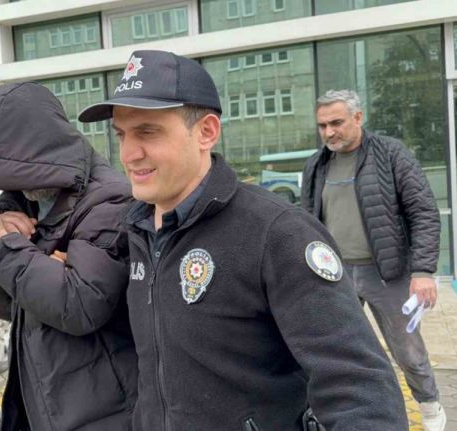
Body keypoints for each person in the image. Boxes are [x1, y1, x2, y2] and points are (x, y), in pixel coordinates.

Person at [78, 50, 407, 430]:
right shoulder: (136, 230)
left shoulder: (277, 233)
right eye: (121, 135)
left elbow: (359, 387)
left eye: (147, 132)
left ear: (206, 132)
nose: (129, 154)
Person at [0, 82, 137, 431]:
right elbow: (0, 304)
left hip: (101, 410)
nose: (14, 183)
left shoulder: (109, 200)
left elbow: (79, 306)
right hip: (39, 397)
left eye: (18, 170)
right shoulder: (20, 202)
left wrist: (0, 242)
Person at [301, 89, 445, 431]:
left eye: (336, 122)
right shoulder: (316, 164)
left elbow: (423, 212)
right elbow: (306, 219)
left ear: (358, 117)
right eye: (322, 125)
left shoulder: (390, 154)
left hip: (386, 273)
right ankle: (352, 412)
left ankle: (430, 406)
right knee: (338, 350)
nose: (329, 132)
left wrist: (423, 271)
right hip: (334, 274)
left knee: (407, 352)